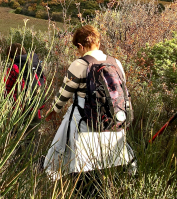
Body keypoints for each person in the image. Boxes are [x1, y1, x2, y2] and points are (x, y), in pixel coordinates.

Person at [44, 25, 135, 182]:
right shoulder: (116, 63)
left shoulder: (80, 64)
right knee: (108, 163)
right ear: (98, 42)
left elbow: (64, 93)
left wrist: (54, 110)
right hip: (113, 123)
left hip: (86, 123)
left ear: (80, 46)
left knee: (81, 165)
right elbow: (123, 89)